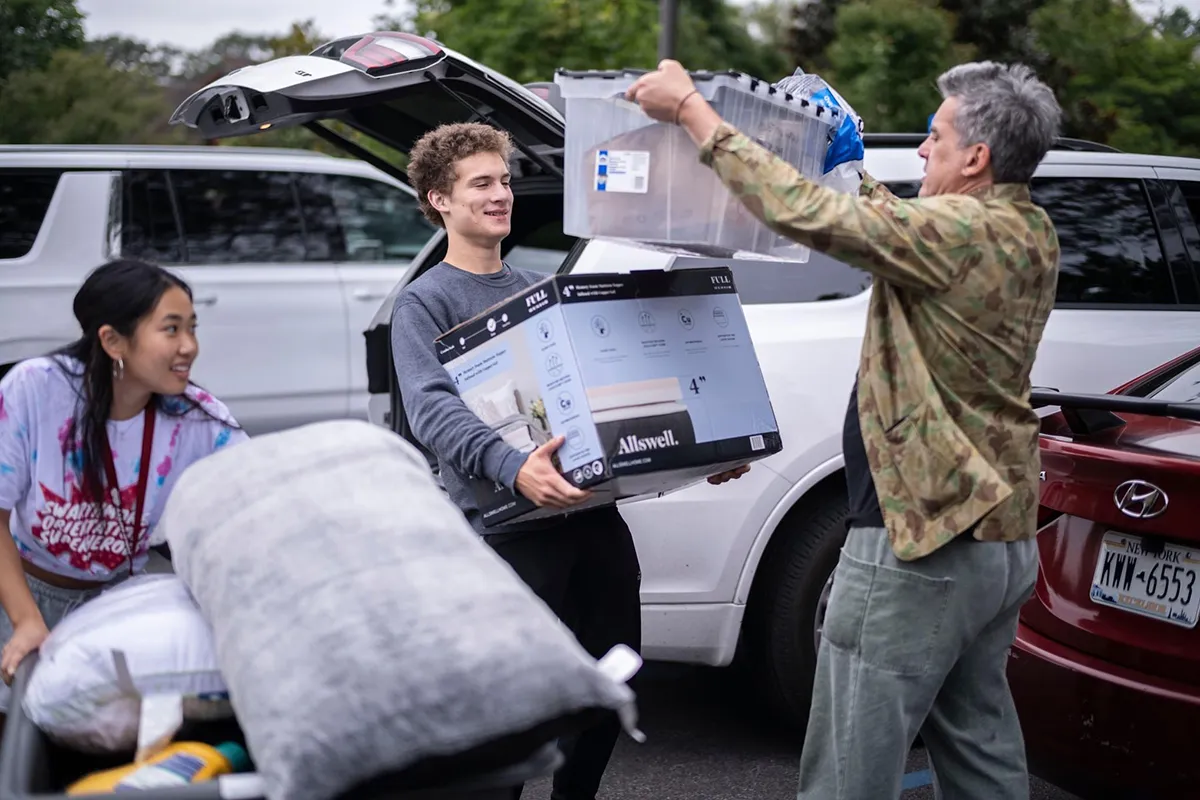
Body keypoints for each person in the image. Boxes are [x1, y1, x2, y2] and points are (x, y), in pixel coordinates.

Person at [626, 61, 1062, 799]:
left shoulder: (956, 231)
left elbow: (812, 216)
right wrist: (850, 165)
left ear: (976, 158)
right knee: (978, 741)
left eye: (935, 137)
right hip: (998, 536)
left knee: (850, 763)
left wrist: (695, 112)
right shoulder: (1027, 228)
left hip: (919, 538)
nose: (924, 151)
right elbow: (893, 227)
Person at [390, 121, 747, 799]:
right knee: (508, 707)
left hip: (590, 518)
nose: (501, 194)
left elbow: (606, 402)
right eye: (481, 184)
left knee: (613, 682)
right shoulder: (425, 303)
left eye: (503, 180)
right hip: (506, 532)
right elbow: (434, 411)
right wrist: (513, 467)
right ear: (439, 199)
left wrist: (702, 451)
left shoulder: (541, 287)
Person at [0, 259, 248, 721]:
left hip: (120, 603)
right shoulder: (34, 389)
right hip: (22, 590)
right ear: (112, 340)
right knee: (12, 731)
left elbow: (252, 504)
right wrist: (25, 621)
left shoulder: (199, 418)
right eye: (170, 329)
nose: (189, 346)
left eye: (192, 328)